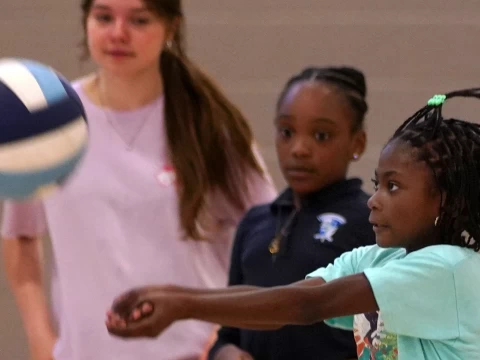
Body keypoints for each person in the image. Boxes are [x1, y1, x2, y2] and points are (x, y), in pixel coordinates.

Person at [106, 88, 480, 360]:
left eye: (394, 186)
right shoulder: (376, 259)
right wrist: (173, 296)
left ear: (443, 199)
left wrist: (182, 306)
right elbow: (289, 298)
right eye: (376, 184)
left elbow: (306, 306)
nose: (375, 199)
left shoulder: (450, 269)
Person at [1, 0, 277, 359]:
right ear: (86, 22)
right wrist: (40, 336)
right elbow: (20, 235)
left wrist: (225, 333)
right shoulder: (53, 121)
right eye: (104, 17)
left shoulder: (208, 124)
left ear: (171, 27)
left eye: (139, 20)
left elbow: (267, 240)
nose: (118, 33)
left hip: (192, 353)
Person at [205, 66, 375, 360]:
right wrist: (226, 353)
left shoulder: (371, 222)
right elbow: (227, 334)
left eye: (321, 135)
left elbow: (385, 339)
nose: (299, 149)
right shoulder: (255, 223)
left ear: (356, 144)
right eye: (287, 132)